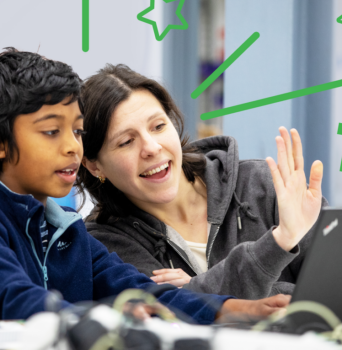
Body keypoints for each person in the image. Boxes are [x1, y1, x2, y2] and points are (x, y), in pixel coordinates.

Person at [0, 48, 290, 324]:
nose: (72, 147)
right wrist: (114, 317)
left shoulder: (67, 231)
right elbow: (16, 302)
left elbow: (147, 294)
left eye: (77, 131)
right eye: (51, 131)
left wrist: (238, 309)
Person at [79, 64, 327, 300]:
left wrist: (196, 288)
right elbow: (169, 314)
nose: (152, 148)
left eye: (158, 126)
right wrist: (279, 242)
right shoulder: (104, 245)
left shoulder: (264, 186)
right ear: (94, 165)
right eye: (126, 142)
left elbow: (339, 296)